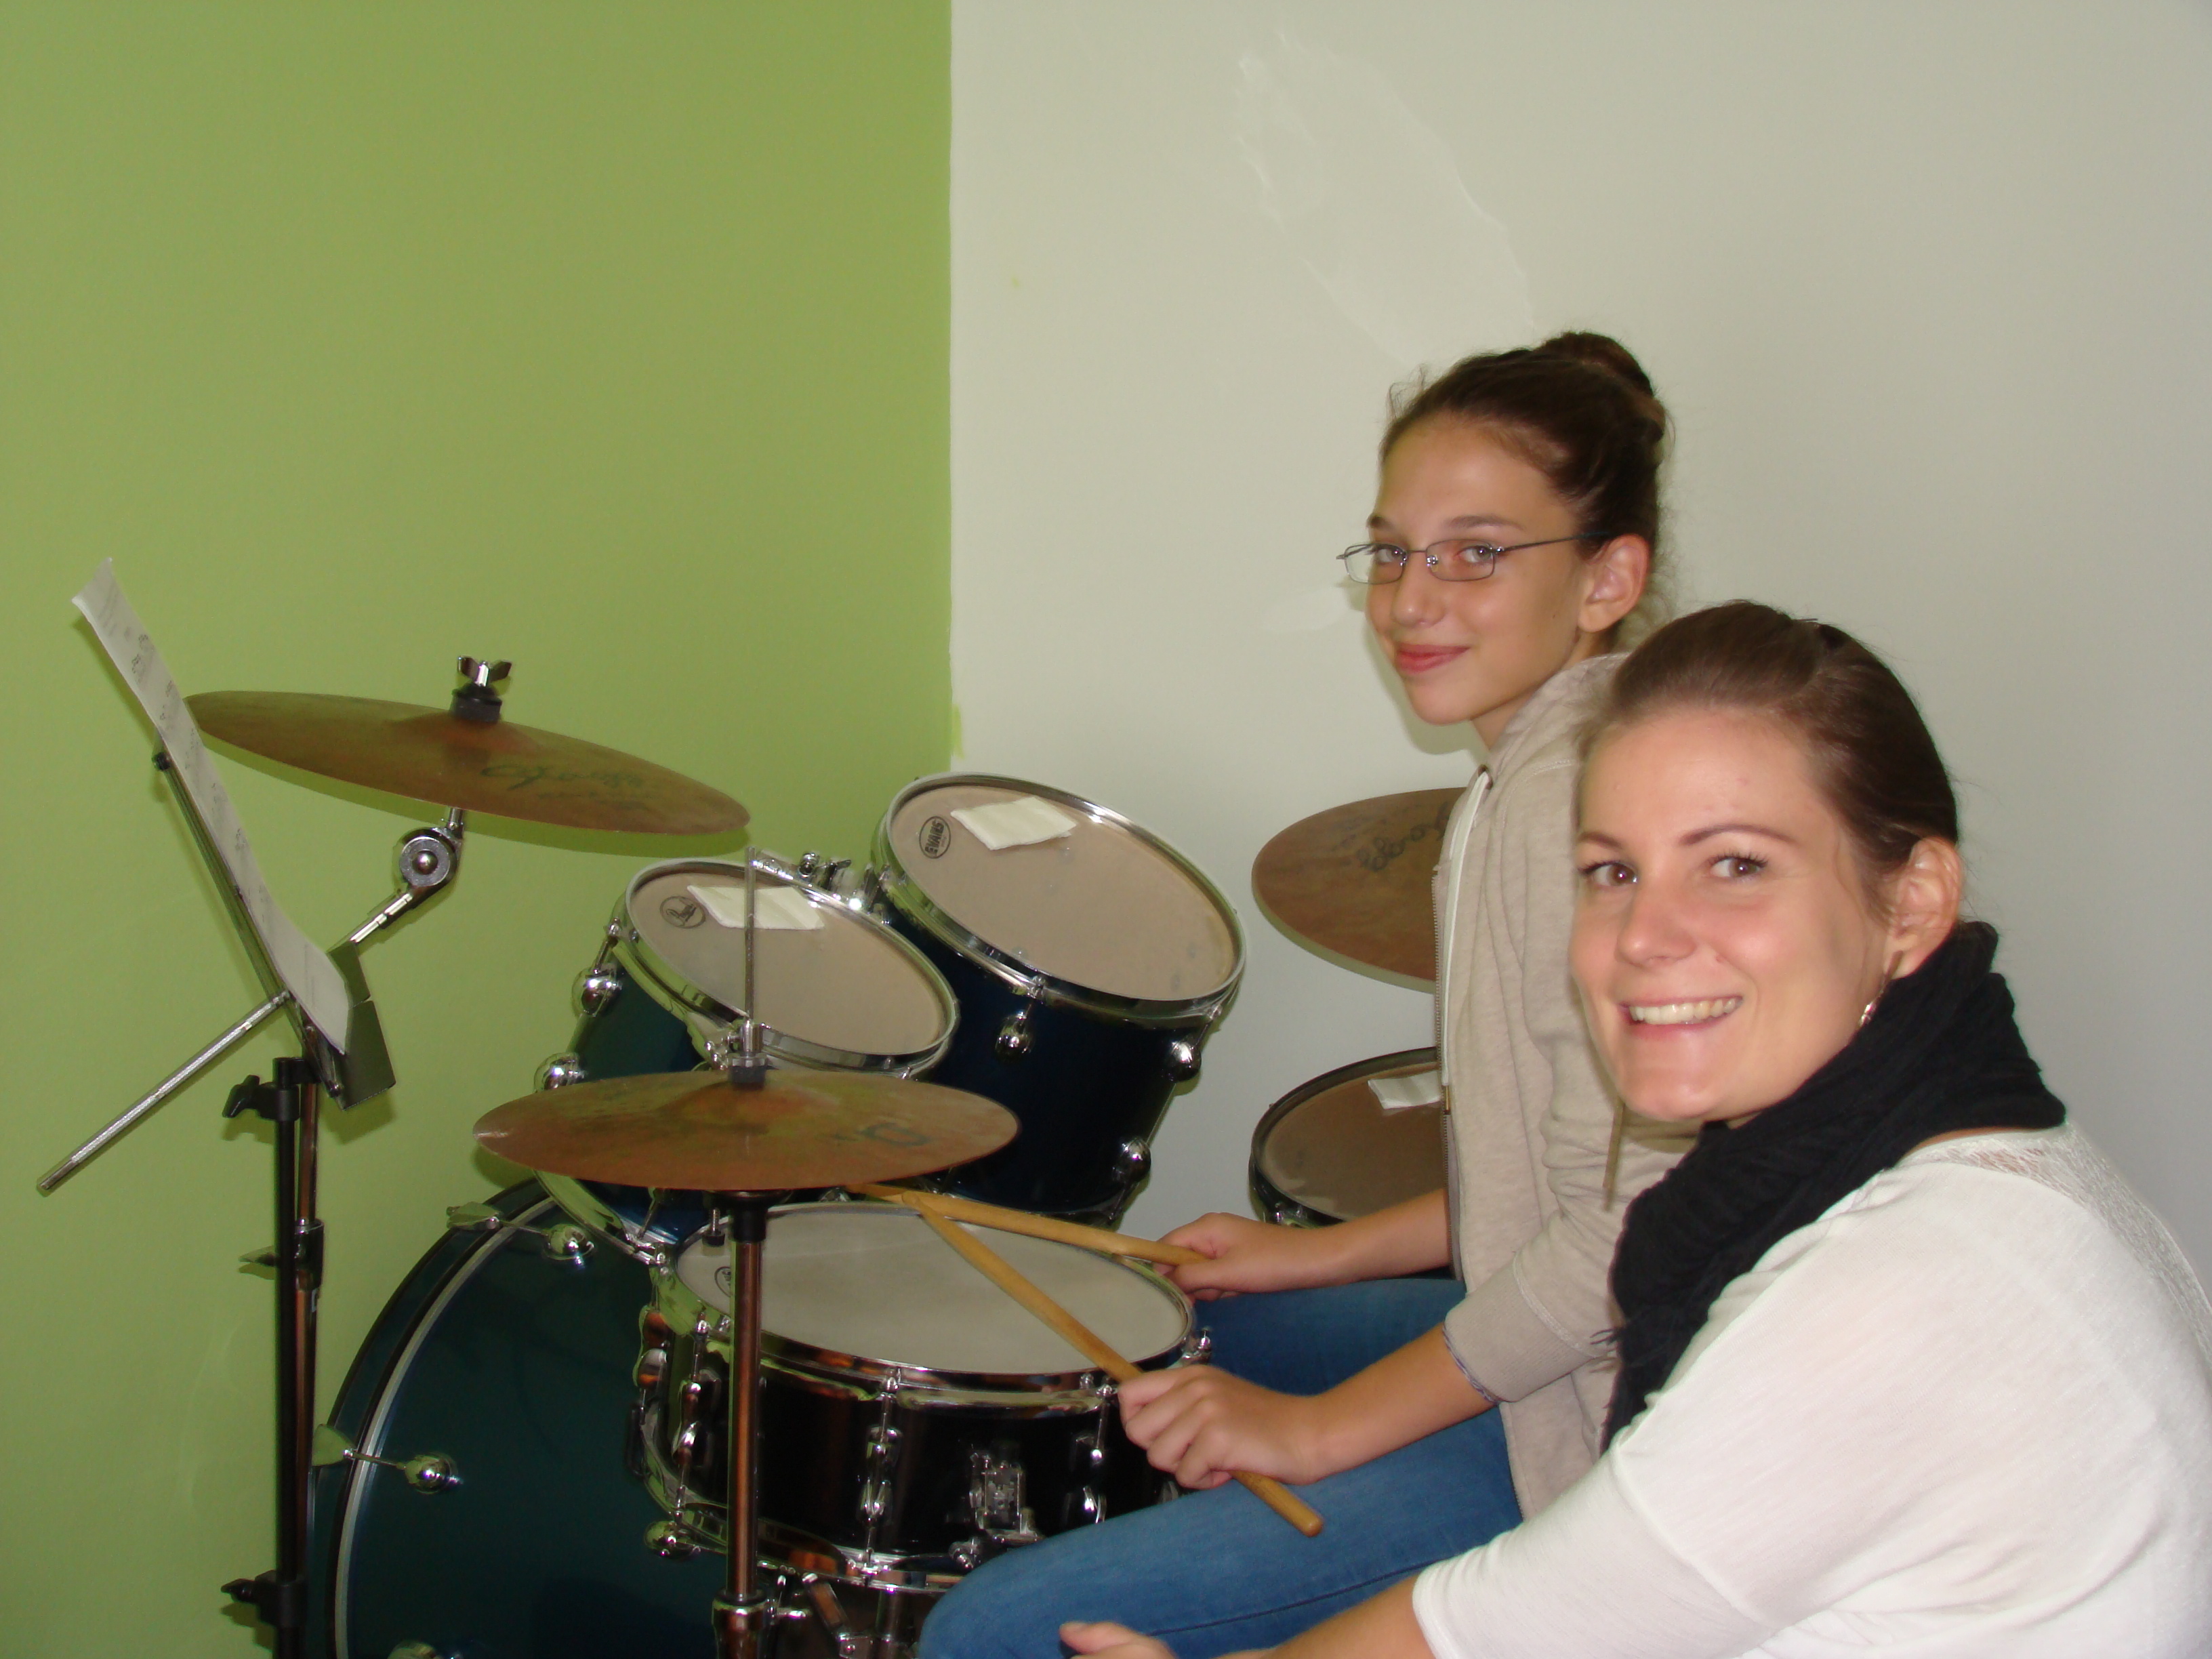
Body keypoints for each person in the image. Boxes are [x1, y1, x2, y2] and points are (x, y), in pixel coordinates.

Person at [1063, 602, 2212, 1658]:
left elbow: (1506, 1629)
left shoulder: (1893, 1299)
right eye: (1611, 871)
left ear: (1910, 904)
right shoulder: (1973, 1148)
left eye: (1736, 865)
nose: (1644, 935)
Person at [920, 334, 1692, 1659]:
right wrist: (1311, 1252)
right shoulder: (1539, 769)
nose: (1411, 601)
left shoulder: (1584, 808)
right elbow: (1548, 1179)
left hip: (1596, 1436)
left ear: (1608, 578)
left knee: (998, 1629)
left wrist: (1318, 1433)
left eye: (1476, 553)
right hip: (1552, 1342)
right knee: (1182, 1329)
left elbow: (1629, 1240)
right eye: (1391, 553)